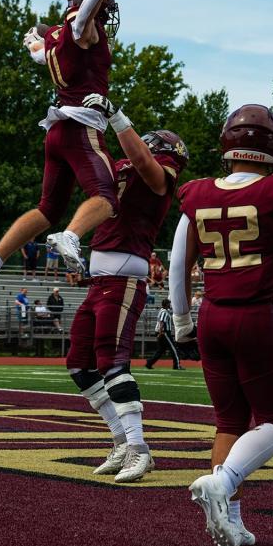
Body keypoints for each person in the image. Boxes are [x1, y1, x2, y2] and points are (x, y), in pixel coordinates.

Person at [168, 104, 273, 546]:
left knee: (229, 421)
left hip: (212, 315)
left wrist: (182, 317)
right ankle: (222, 485)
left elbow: (177, 265)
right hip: (258, 313)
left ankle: (232, 521)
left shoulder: (197, 193)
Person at [0, 0, 133, 304]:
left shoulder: (54, 44)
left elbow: (37, 49)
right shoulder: (86, 30)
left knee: (47, 208)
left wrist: (37, 36)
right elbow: (81, 26)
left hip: (57, 132)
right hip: (81, 127)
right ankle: (71, 236)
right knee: (107, 199)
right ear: (97, 10)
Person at [64, 93, 189, 485]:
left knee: (113, 362)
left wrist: (117, 117)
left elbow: (143, 164)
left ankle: (140, 449)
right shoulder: (122, 169)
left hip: (124, 276)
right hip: (99, 278)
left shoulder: (158, 174)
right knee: (79, 364)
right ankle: (121, 440)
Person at [145, 299, 184, 370]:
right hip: (164, 332)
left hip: (162, 332)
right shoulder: (164, 312)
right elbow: (162, 322)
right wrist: (160, 332)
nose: (170, 305)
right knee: (173, 348)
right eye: (169, 303)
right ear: (166, 304)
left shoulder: (163, 311)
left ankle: (149, 363)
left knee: (161, 350)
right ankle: (176, 365)